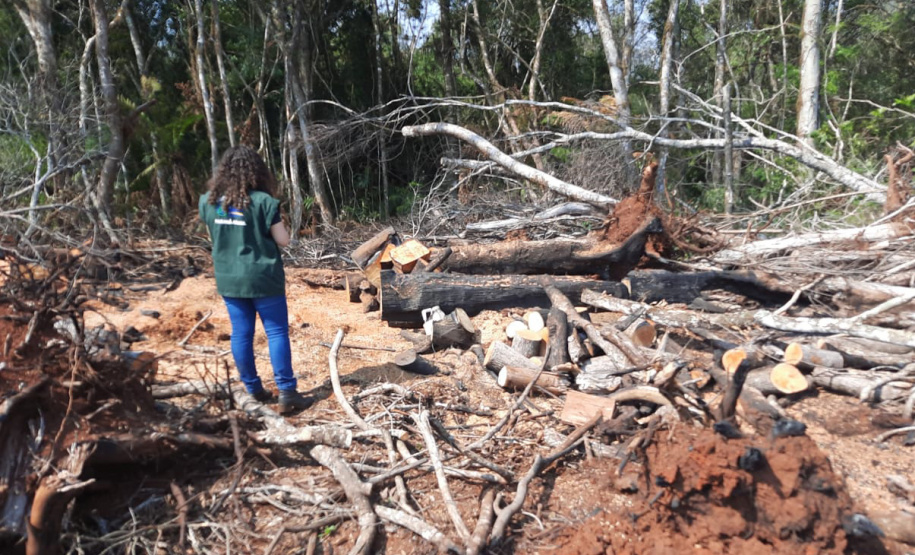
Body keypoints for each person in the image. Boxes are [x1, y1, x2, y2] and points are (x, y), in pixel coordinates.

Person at [199, 145, 311, 414]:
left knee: (241, 333)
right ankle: (287, 392)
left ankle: (253, 389)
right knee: (276, 332)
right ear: (257, 172)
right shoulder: (264, 202)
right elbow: (283, 240)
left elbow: (214, 237)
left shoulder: (209, 202)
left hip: (229, 278)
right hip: (263, 277)